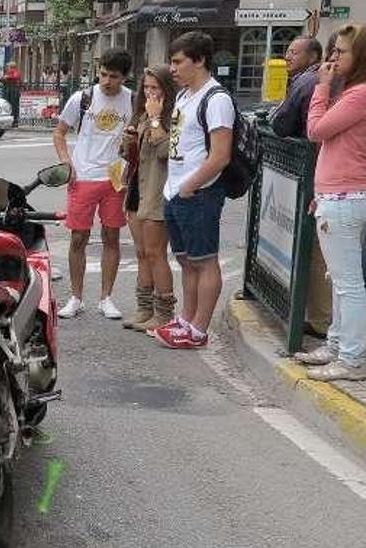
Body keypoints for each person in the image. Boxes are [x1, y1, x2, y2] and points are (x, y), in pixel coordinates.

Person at [293, 22, 366, 380]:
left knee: (347, 284)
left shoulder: (365, 94)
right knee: (340, 279)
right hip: (341, 192)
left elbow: (316, 130)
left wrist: (321, 89)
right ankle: (336, 346)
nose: (332, 58)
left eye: (340, 51)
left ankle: (351, 359)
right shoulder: (362, 91)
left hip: (347, 194)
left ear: (362, 55)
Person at [152, 32, 236, 349]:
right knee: (186, 260)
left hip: (199, 193)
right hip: (176, 191)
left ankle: (199, 328)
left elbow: (220, 155)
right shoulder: (186, 95)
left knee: (205, 260)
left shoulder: (217, 100)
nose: (172, 69)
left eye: (178, 62)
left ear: (199, 60)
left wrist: (190, 185)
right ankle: (186, 320)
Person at [52, 47, 135, 320]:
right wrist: (67, 162)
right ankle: (76, 298)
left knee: (112, 236)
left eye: (113, 76)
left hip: (114, 177)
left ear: (124, 77)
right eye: (103, 74)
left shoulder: (133, 100)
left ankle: (106, 298)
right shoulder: (82, 98)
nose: (106, 81)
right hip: (84, 175)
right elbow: (60, 133)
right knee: (78, 237)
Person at [269, 36, 335, 334]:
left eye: (294, 52)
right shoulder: (312, 82)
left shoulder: (306, 83)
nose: (287, 56)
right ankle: (318, 317)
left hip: (320, 176)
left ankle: (319, 320)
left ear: (314, 56)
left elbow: (283, 124)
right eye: (287, 51)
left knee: (317, 249)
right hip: (326, 176)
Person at [120, 65, 178, 332]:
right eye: (146, 88)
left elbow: (167, 151)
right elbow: (127, 155)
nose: (149, 94)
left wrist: (155, 120)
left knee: (156, 253)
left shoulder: (171, 117)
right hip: (136, 190)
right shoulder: (141, 114)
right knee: (142, 253)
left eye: (155, 88)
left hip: (156, 192)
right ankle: (144, 308)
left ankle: (163, 312)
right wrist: (128, 140)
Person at [1, 61, 23, 126]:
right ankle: (10, 120)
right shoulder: (7, 73)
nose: (7, 68)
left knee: (14, 106)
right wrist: (5, 78)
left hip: (13, 91)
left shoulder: (15, 72)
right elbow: (1, 79)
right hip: (8, 91)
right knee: (8, 105)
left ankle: (14, 120)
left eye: (8, 66)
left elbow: (16, 77)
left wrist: (7, 77)